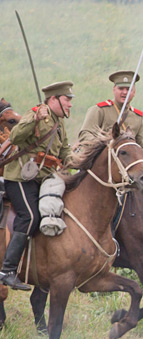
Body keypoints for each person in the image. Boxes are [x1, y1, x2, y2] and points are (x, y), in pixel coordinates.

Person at [0, 81, 74, 291]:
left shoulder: (59, 122)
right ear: (54, 99)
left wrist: (76, 162)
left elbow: (65, 150)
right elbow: (14, 137)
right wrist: (34, 119)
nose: (69, 104)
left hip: (43, 178)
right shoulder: (35, 114)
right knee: (30, 216)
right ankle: (8, 270)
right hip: (21, 178)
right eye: (67, 99)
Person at [77, 70, 143, 155]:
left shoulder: (137, 117)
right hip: (103, 160)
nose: (124, 92)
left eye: (128, 89)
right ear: (114, 89)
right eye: (121, 88)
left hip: (128, 163)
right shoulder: (99, 110)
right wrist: (104, 146)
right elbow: (85, 134)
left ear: (134, 92)